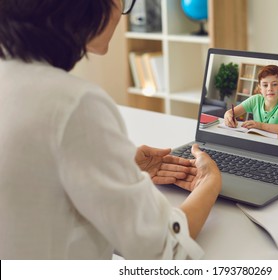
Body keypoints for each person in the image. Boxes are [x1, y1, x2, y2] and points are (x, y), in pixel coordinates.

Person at [0, 0, 221, 260]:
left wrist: (115, 168)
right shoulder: (74, 104)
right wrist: (210, 184)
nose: (121, 11)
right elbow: (164, 249)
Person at [224, 65, 278, 136]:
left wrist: (261, 126)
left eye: (275, 84)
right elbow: (231, 112)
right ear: (260, 89)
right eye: (265, 85)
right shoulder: (255, 100)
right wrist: (228, 115)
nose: (270, 89)